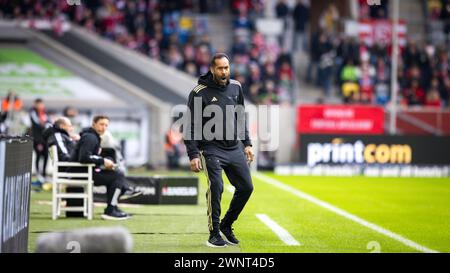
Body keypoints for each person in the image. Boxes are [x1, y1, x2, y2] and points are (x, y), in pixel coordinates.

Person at [184, 53, 254, 247]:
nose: (224, 72)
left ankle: (226, 225)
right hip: (211, 149)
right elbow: (189, 125)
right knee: (217, 187)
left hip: (234, 148)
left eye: (227, 68)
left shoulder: (236, 87)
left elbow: (241, 117)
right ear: (212, 69)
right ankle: (214, 233)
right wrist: (193, 154)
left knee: (247, 188)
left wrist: (247, 143)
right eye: (220, 68)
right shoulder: (199, 91)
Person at [72, 115, 141, 220]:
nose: (103, 127)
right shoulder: (90, 137)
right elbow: (84, 157)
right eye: (101, 124)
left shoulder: (93, 136)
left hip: (86, 171)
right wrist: (103, 161)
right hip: (81, 173)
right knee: (117, 176)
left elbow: (90, 157)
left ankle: (115, 204)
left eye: (106, 125)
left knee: (116, 175)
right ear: (93, 124)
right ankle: (112, 208)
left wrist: (105, 162)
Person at [29, 98, 50, 183]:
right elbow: (37, 123)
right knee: (38, 155)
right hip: (37, 138)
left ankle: (44, 174)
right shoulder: (32, 112)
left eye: (42, 104)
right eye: (40, 104)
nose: (41, 106)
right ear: (36, 104)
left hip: (45, 138)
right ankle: (38, 174)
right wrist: (44, 125)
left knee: (46, 156)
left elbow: (48, 122)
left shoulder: (44, 112)